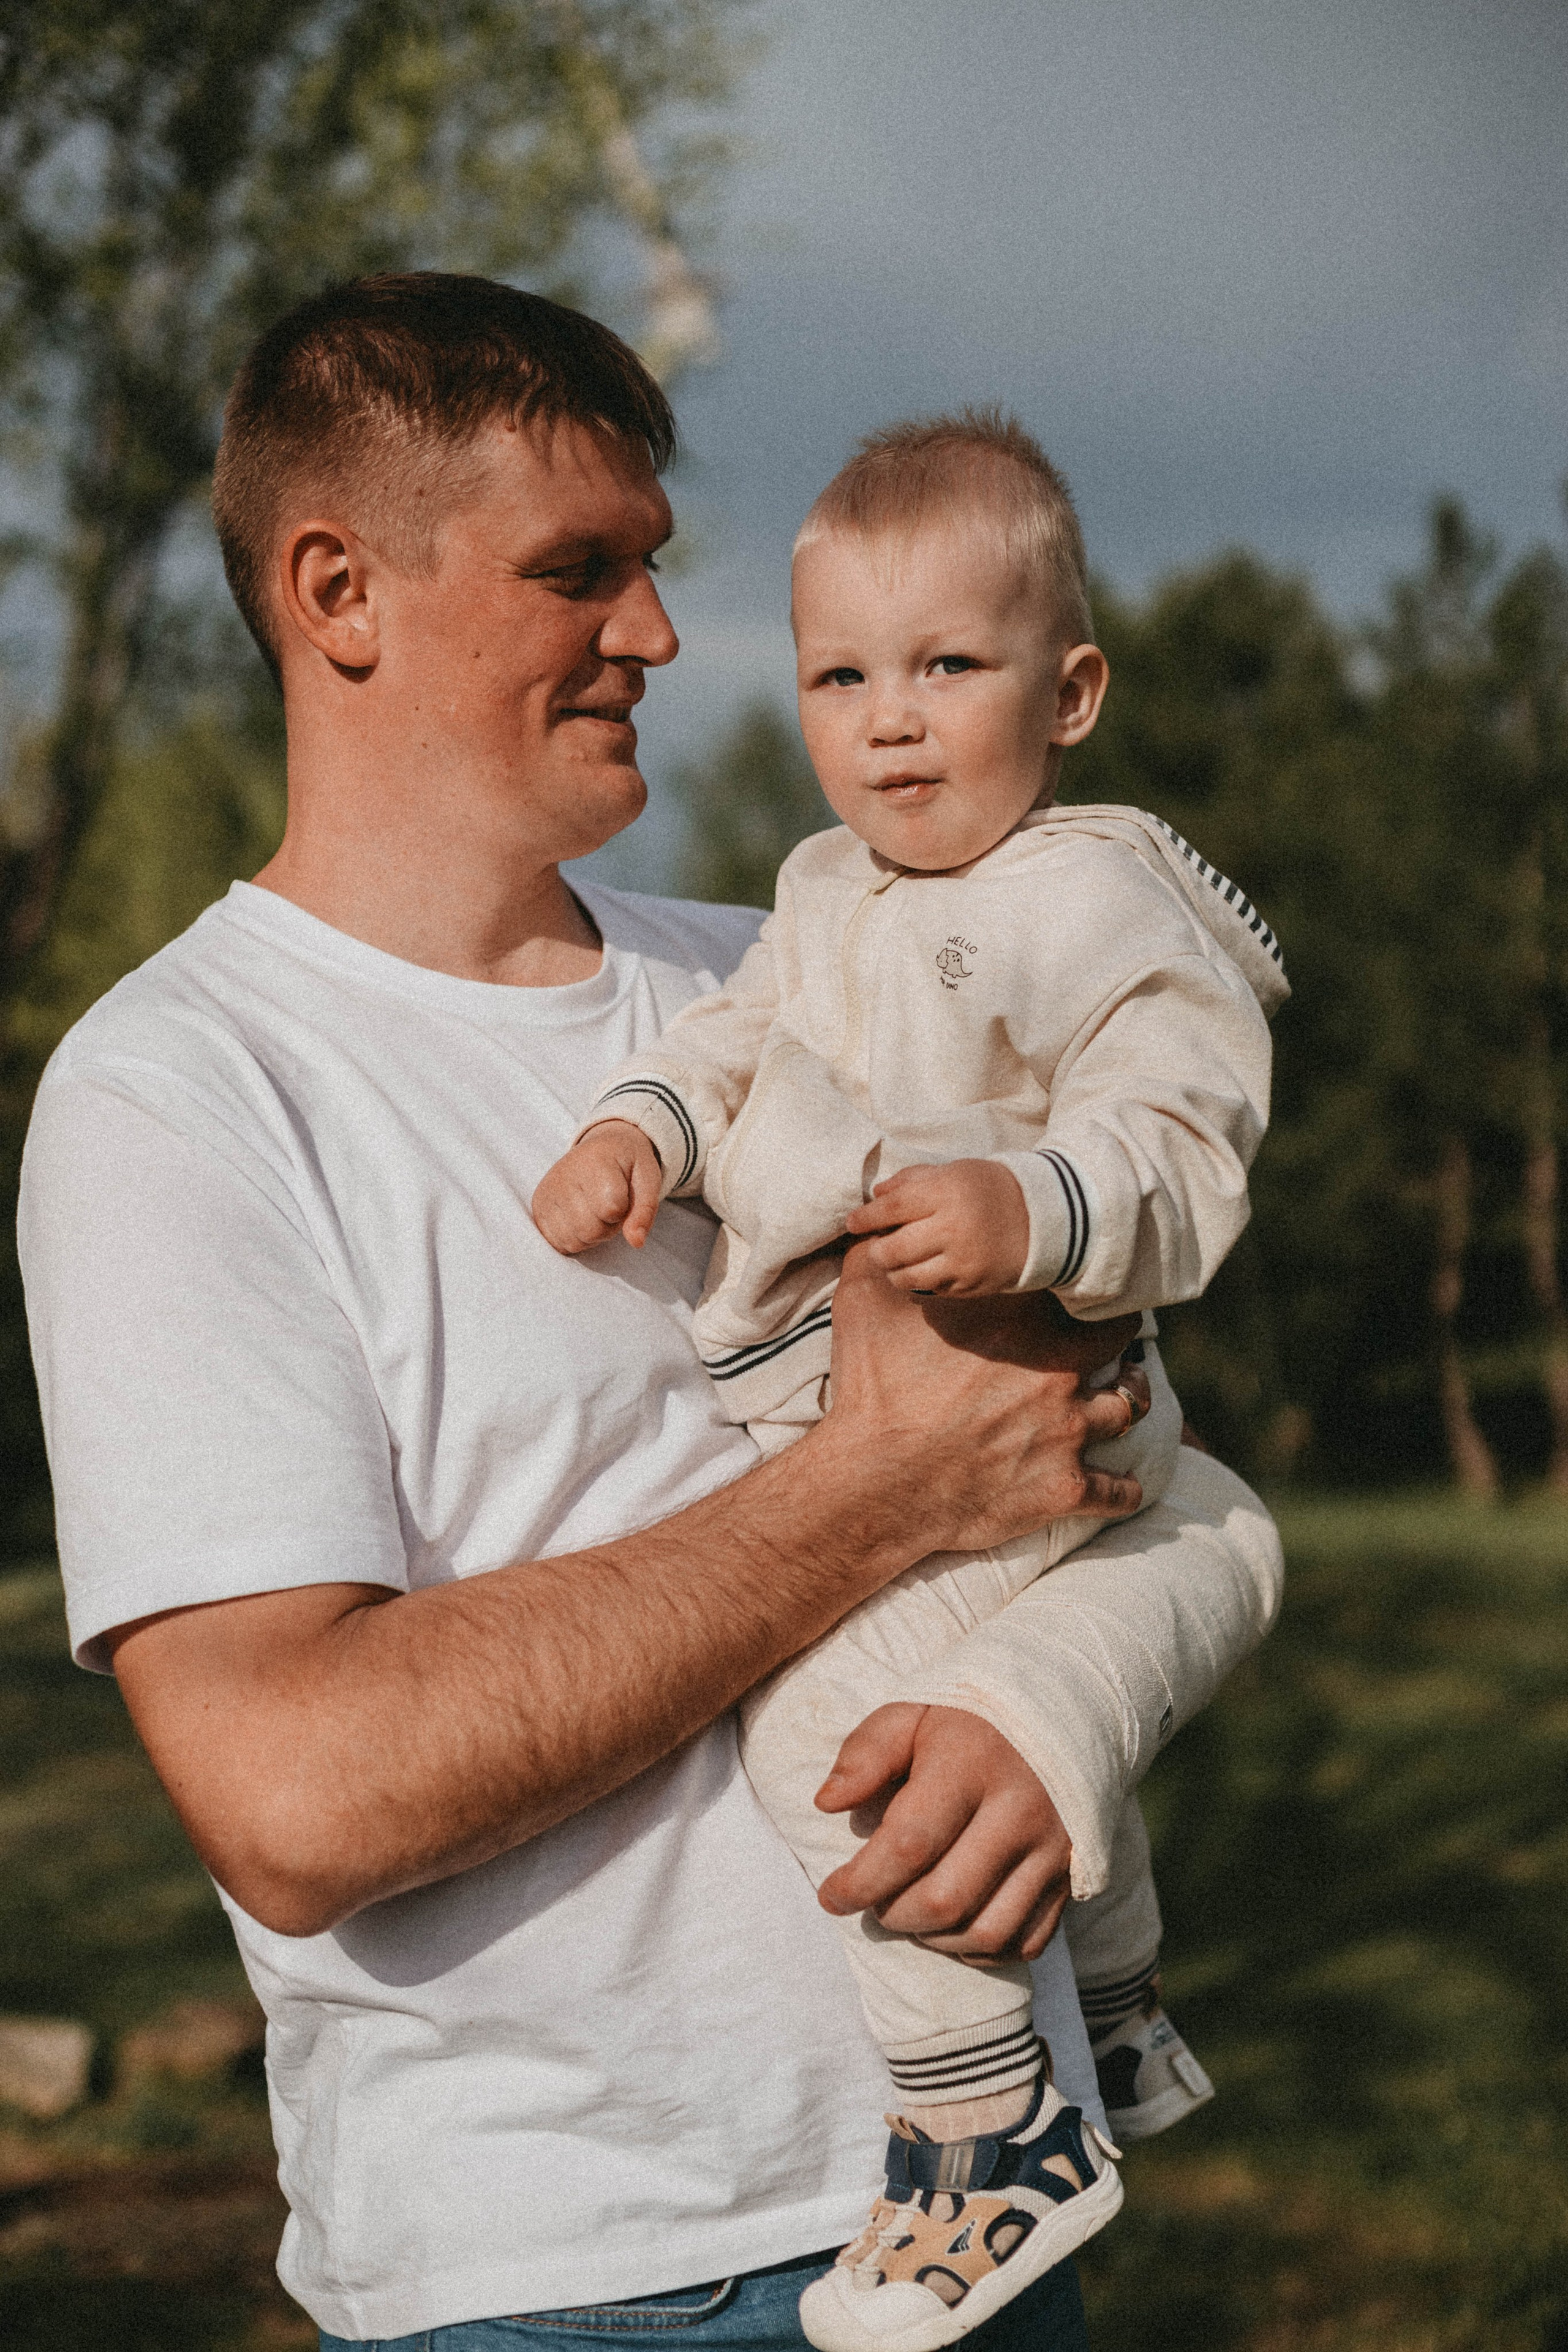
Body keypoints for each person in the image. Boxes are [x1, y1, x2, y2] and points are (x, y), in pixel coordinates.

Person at [17, 274, 1283, 2352]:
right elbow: (294, 1796)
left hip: (980, 2221)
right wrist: (878, 1496)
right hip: (575, 2285)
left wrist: (1050, 1699)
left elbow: (1095, 1437)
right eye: (576, 573)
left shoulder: (794, 957)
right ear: (340, 590)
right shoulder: (182, 1093)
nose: (662, 638)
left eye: (658, 571)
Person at [533, 413, 1288, 2352]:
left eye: (948, 666)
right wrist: (642, 1132)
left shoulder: (1094, 900)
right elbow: (728, 1045)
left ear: (1073, 690)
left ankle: (991, 2135)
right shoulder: (817, 891)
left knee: (827, 1748)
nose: (889, 721)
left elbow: (1187, 1144)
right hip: (889, 1432)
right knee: (992, 1723)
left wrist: (1032, 1201)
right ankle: (1115, 2021)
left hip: (1045, 1415)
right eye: (841, 676)